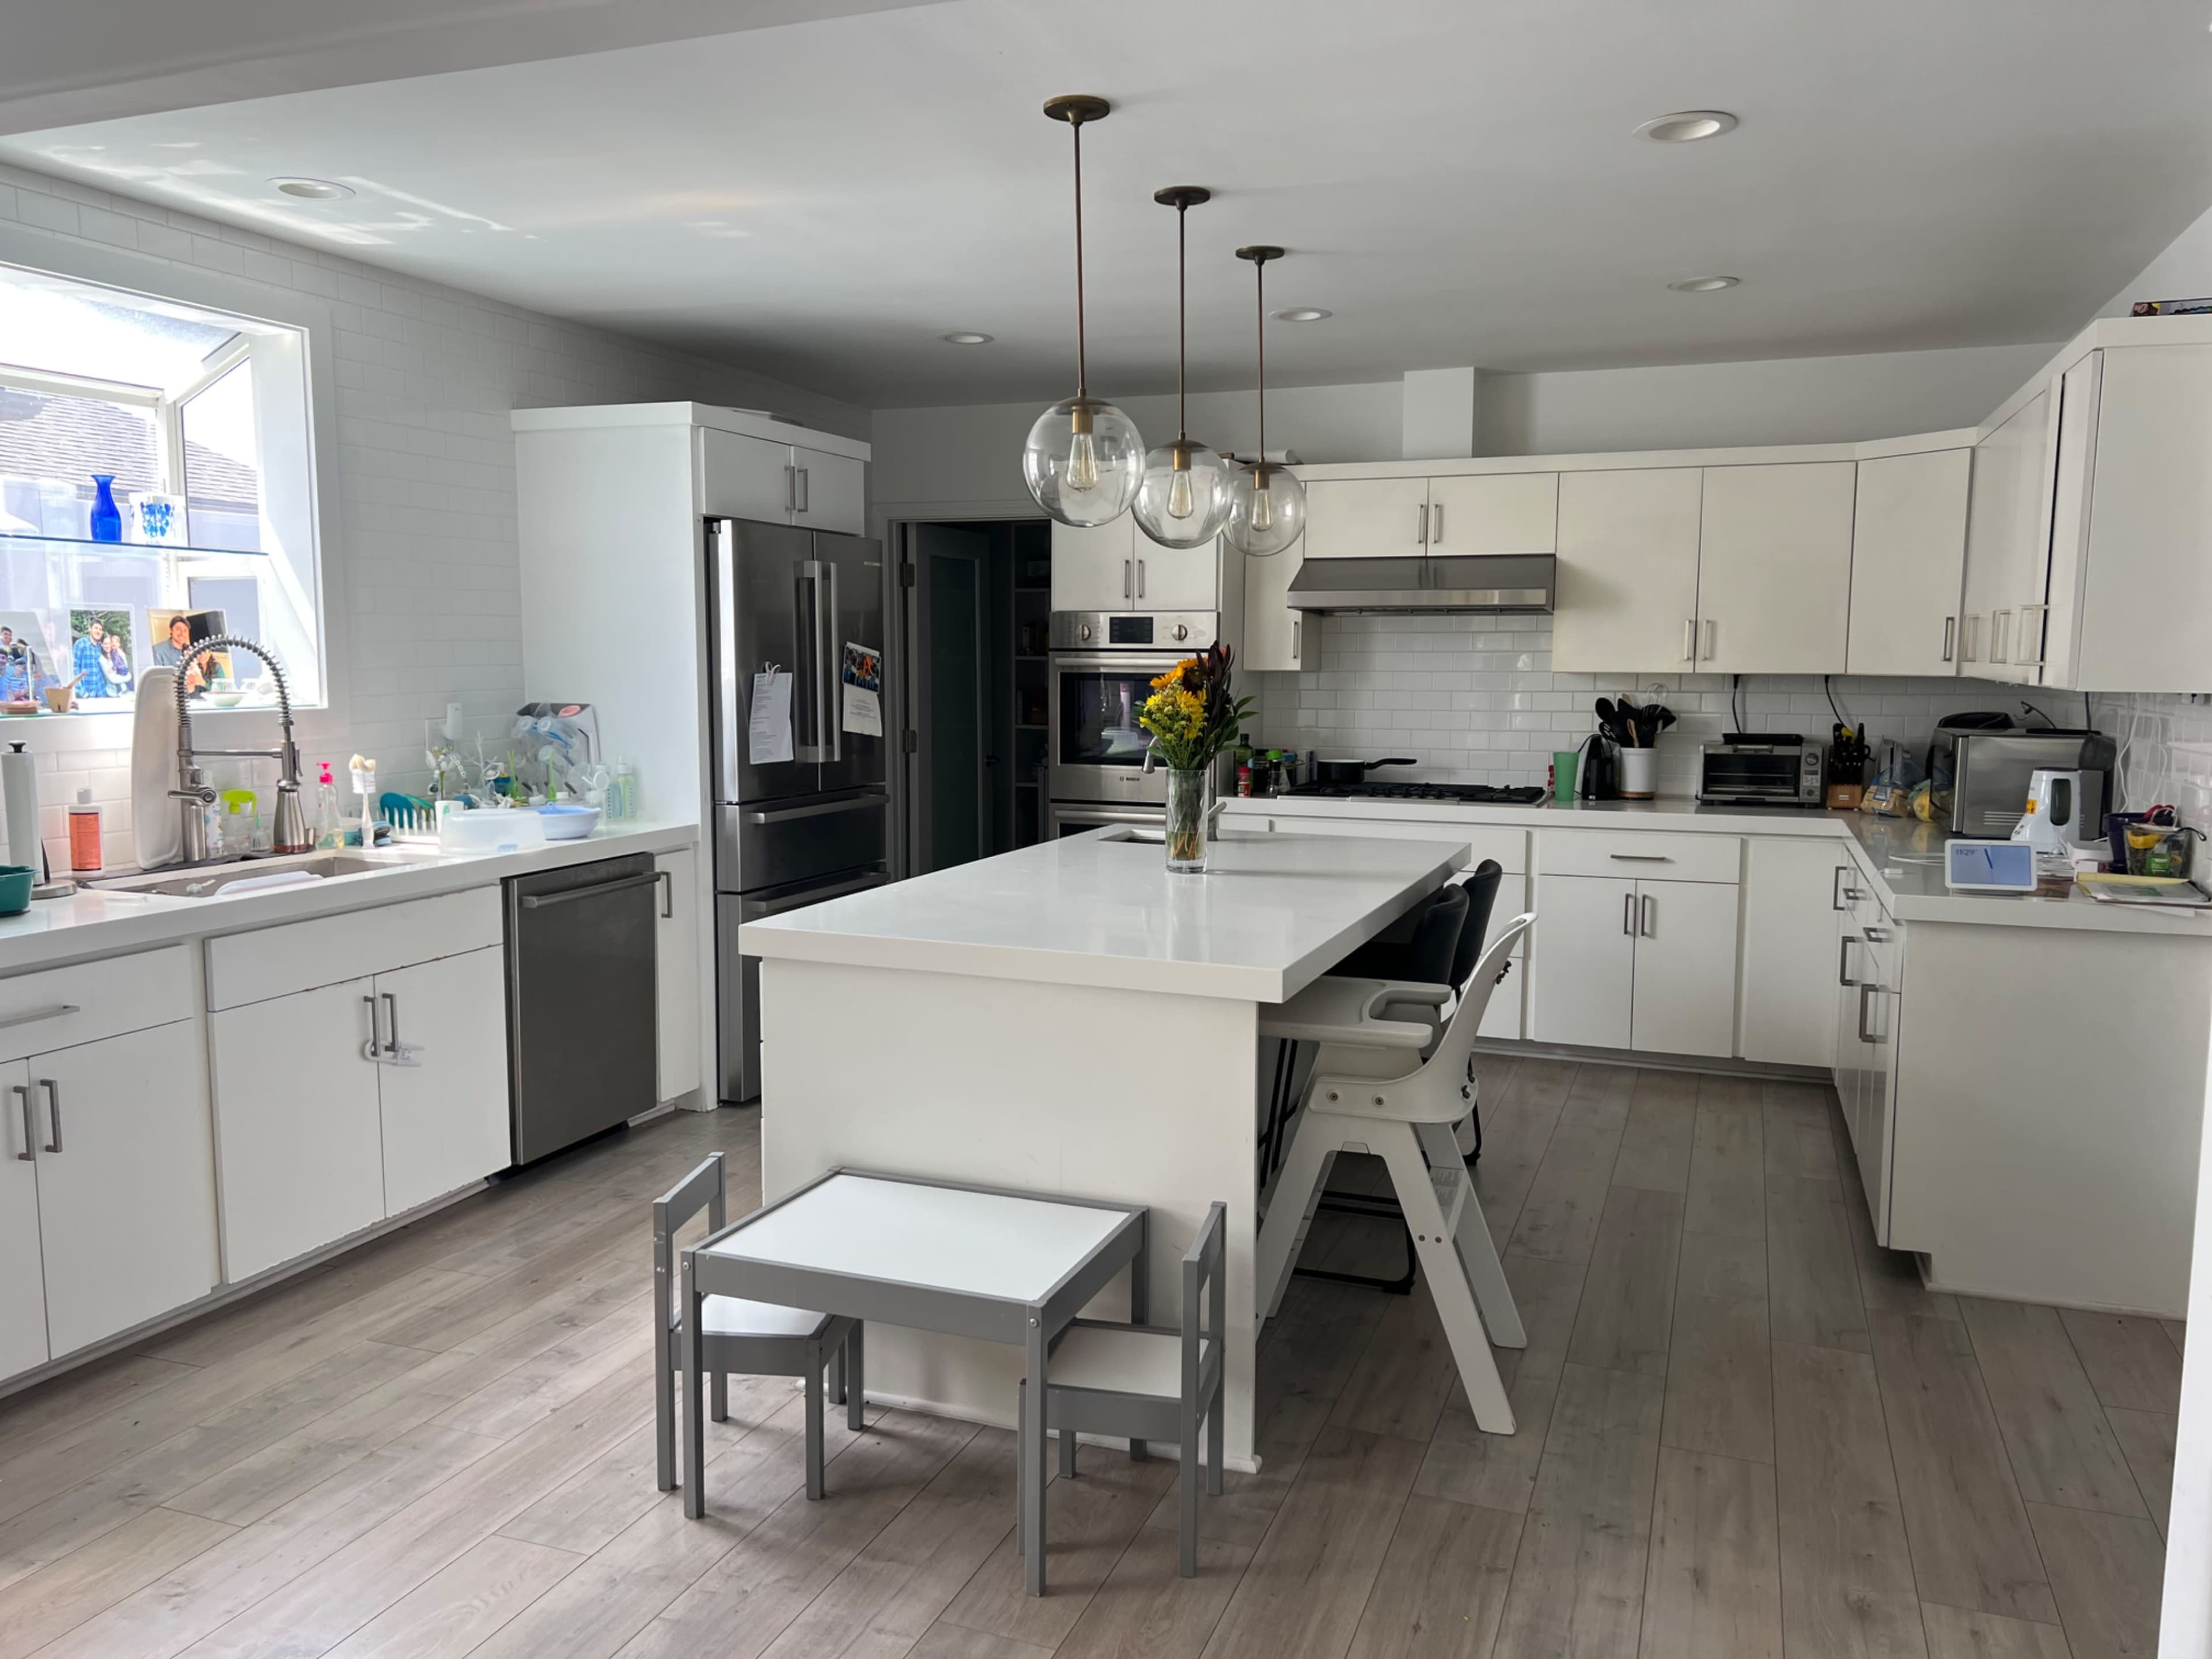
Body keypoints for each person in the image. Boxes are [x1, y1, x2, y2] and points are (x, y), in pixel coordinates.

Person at [73, 619, 114, 699]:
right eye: (96, 628)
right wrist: (83, 693)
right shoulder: (81, 644)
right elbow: (74, 668)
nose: (98, 631)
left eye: (100, 630)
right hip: (87, 694)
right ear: (90, 629)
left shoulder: (100, 647)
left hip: (101, 692)